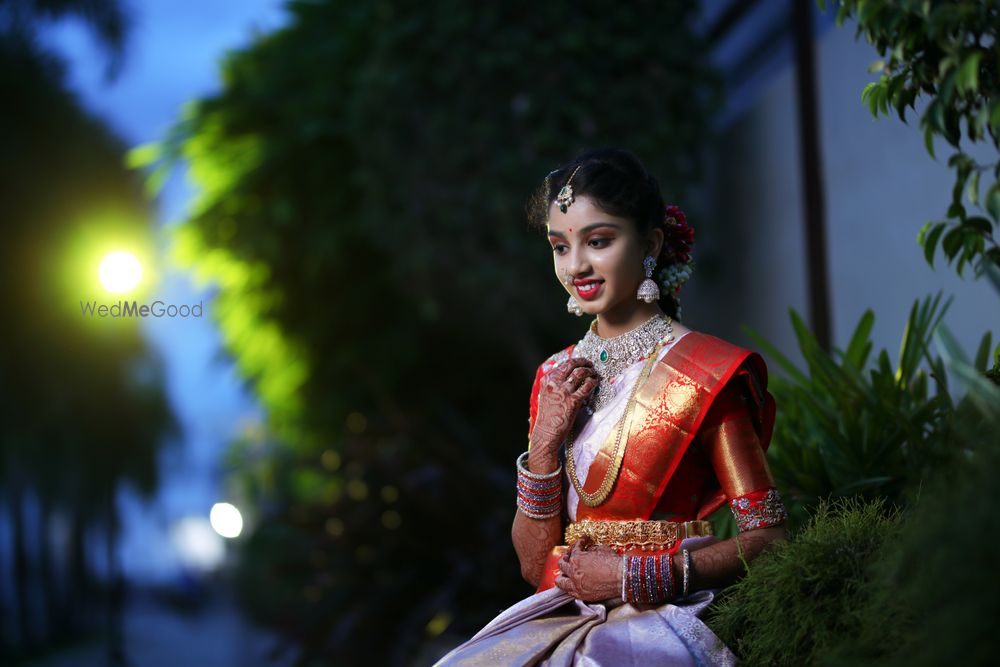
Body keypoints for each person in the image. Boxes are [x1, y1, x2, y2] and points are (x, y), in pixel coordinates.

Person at [434, 148, 787, 666]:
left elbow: (769, 539)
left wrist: (637, 575)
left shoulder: (708, 372)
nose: (576, 265)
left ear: (650, 244)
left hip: (660, 620)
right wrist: (544, 444)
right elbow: (535, 566)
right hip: (562, 613)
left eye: (598, 241)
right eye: (560, 246)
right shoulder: (555, 380)